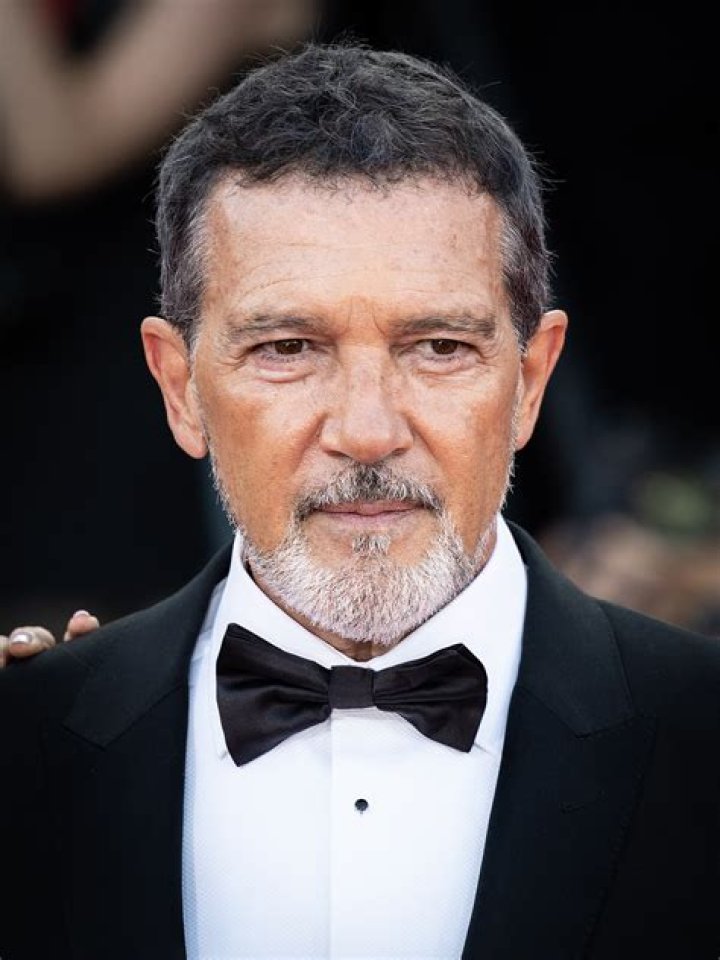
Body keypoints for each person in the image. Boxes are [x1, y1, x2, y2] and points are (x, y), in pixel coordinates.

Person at [1, 43, 719, 960]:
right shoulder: (26, 745)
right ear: (180, 389)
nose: (368, 431)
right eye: (288, 348)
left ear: (531, 382)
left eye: (439, 347)